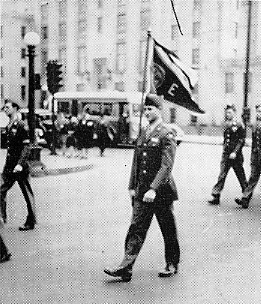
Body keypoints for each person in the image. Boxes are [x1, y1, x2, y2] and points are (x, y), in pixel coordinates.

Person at [104, 93, 180, 281]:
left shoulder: (166, 132)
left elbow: (166, 165)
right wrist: (132, 185)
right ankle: (125, 267)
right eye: (144, 109)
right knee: (135, 228)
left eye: (150, 109)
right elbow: (137, 161)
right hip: (142, 190)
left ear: (159, 110)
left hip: (161, 192)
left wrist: (153, 188)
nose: (146, 112)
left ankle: (172, 263)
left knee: (167, 229)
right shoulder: (144, 132)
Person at [0, 101, 36, 231]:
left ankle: (31, 221)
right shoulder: (9, 125)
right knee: (1, 190)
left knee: (27, 194)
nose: (5, 110)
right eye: (4, 108)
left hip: (20, 167)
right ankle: (2, 219)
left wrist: (20, 164)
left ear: (15, 108)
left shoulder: (21, 125)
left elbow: (26, 147)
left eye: (8, 107)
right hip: (9, 166)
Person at [208, 104, 247, 205]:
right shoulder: (226, 123)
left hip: (236, 156)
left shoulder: (239, 124)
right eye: (227, 112)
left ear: (234, 112)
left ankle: (246, 197)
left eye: (229, 112)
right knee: (222, 175)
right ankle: (216, 196)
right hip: (226, 154)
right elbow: (227, 139)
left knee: (240, 176)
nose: (227, 114)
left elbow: (241, 140)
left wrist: (235, 152)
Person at [235, 104, 261, 208]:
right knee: (253, 177)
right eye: (258, 111)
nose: (259, 114)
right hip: (256, 155)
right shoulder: (255, 124)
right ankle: (245, 199)